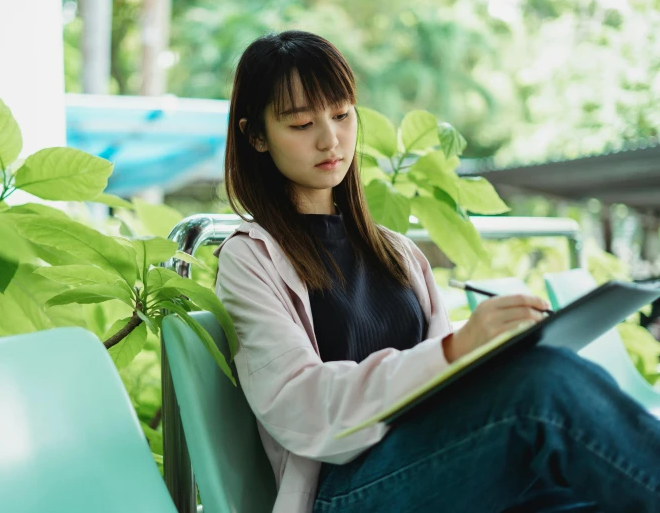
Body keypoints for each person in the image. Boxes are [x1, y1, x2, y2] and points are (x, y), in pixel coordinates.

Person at [213, 30, 660, 513]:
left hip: (439, 461)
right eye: (301, 124)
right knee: (541, 384)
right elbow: (301, 408)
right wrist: (455, 349)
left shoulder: (398, 253)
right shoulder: (249, 259)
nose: (330, 138)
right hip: (345, 491)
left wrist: (487, 352)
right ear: (255, 136)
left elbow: (443, 387)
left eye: (342, 115)